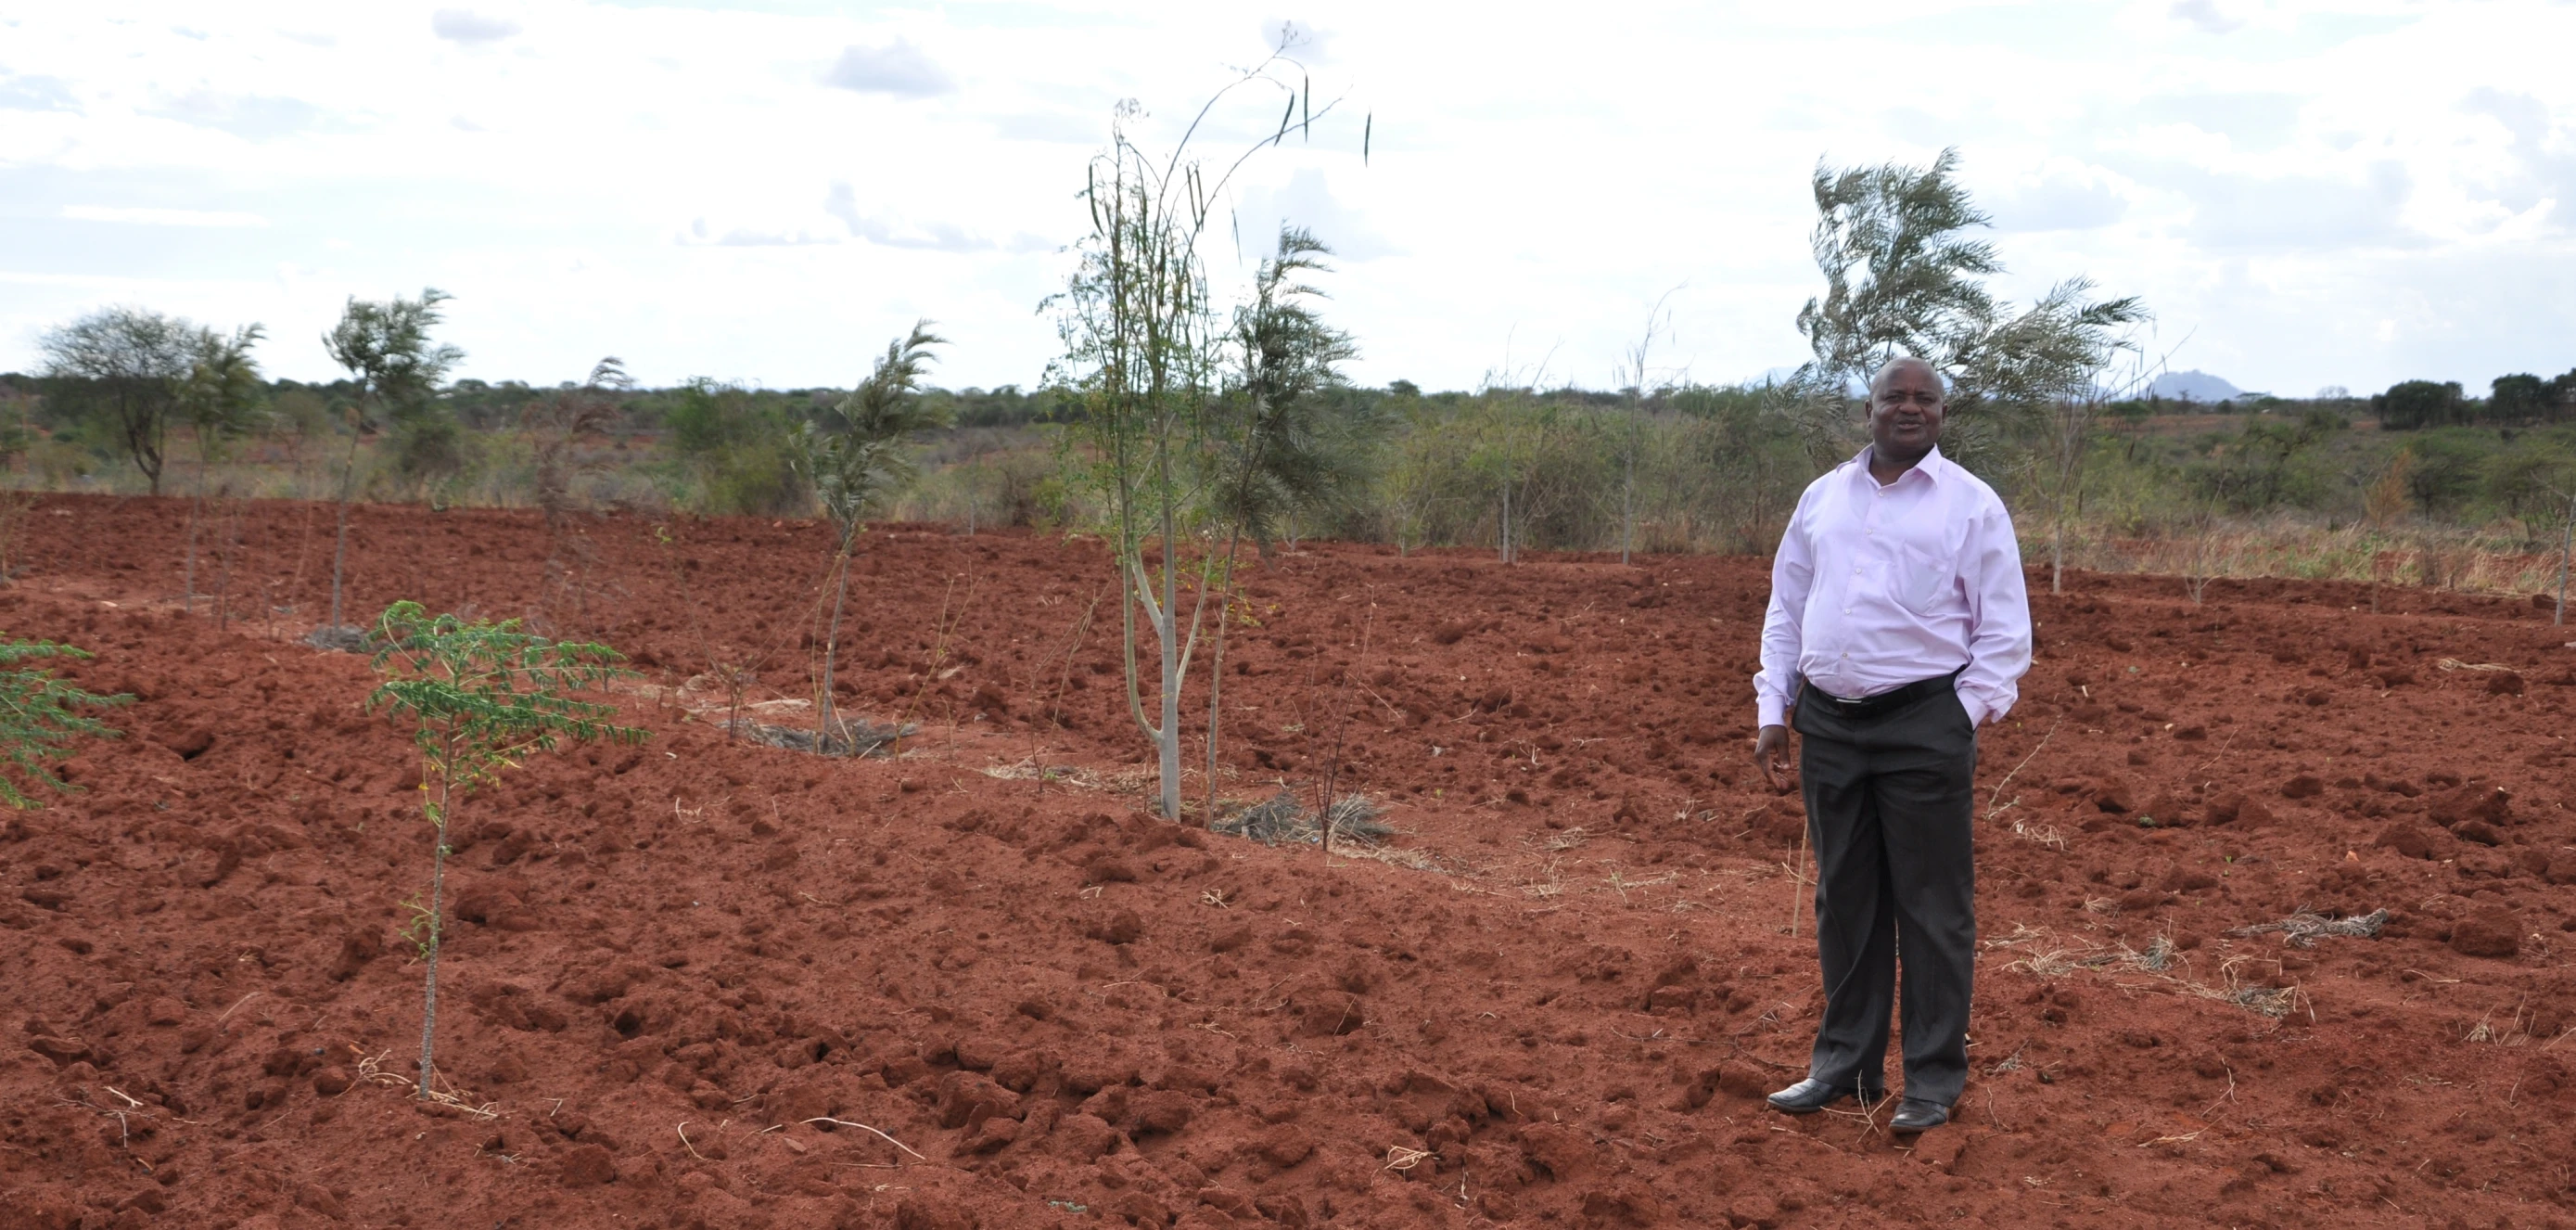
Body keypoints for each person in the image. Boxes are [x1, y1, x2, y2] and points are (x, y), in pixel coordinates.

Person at [1749, 355, 2031, 1134]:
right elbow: (1787, 604)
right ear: (1867, 409)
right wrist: (1776, 706)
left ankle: (1932, 1082)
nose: (1911, 409)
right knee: (1845, 900)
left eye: (1926, 399)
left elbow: (2005, 634)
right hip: (1830, 724)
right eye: (1894, 397)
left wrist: (1958, 717)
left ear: (1943, 413)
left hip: (1923, 724)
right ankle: (1844, 1066)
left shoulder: (1971, 506)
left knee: (1932, 908)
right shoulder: (1822, 498)